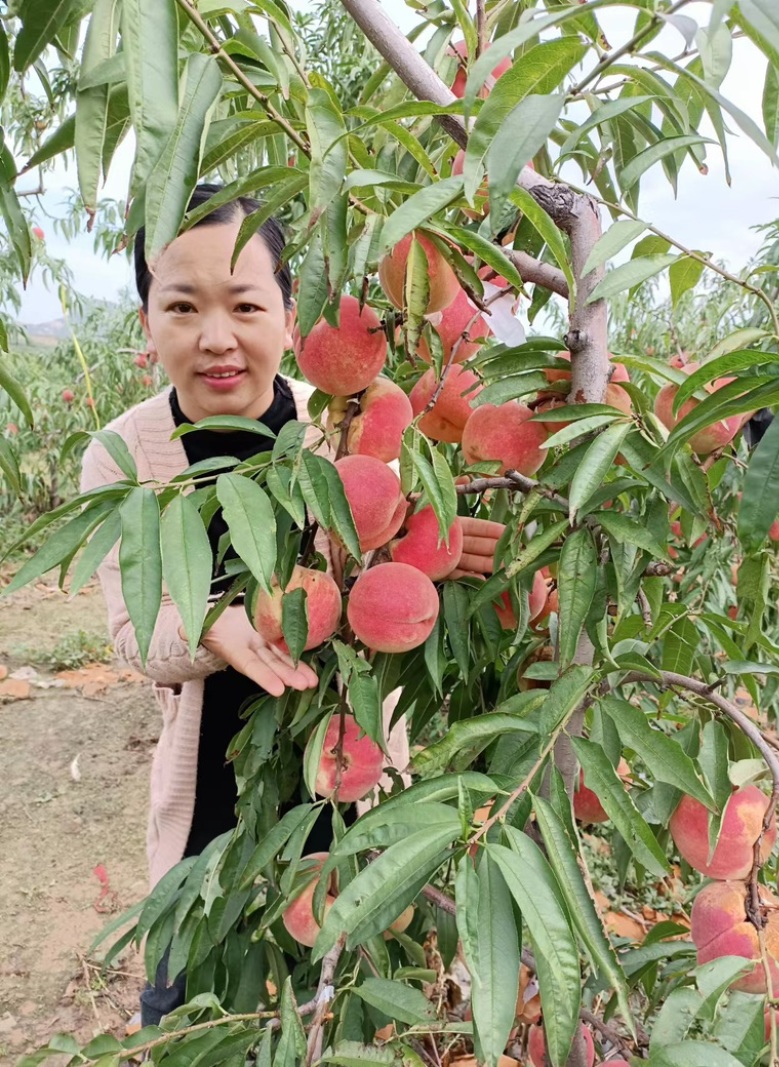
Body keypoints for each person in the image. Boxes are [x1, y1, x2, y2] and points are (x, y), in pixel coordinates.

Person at [79, 183, 504, 1026]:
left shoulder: (353, 430)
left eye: (244, 302)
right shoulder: (124, 457)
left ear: (289, 313)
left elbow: (383, 564)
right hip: (207, 808)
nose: (216, 336)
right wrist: (215, 628)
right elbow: (133, 633)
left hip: (350, 781)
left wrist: (433, 549)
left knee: (349, 1004)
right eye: (182, 305)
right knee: (193, 1013)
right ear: (146, 322)